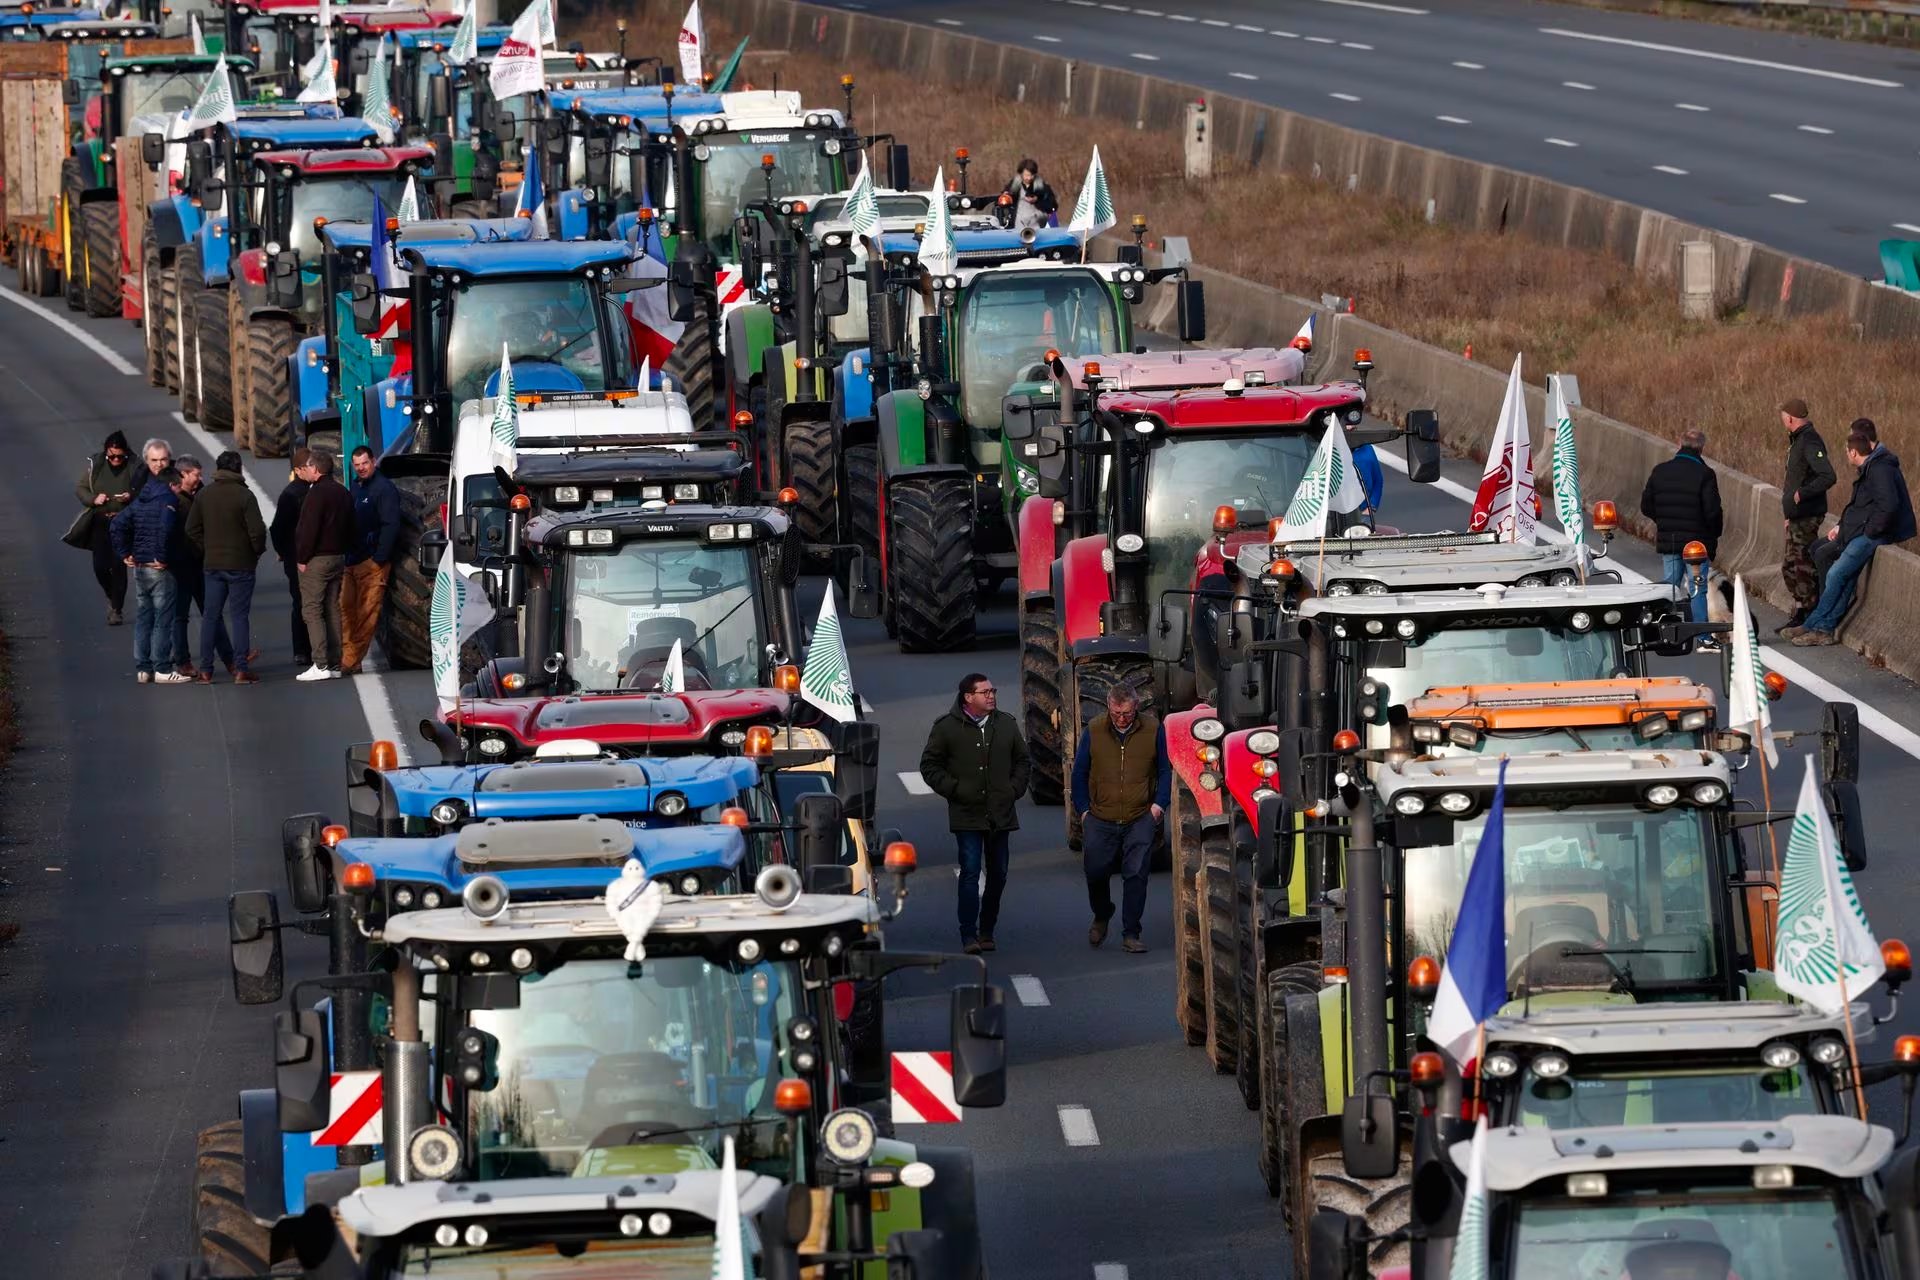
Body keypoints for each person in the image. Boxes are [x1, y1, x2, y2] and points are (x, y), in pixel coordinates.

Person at [919, 674, 1031, 954]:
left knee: (999, 874)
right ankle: (968, 934)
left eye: (992, 690)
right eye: (984, 692)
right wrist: (954, 790)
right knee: (970, 872)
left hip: (1000, 813)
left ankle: (987, 930)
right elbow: (930, 766)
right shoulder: (946, 728)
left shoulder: (1005, 724)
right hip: (967, 814)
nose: (991, 695)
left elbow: (1023, 760)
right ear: (968, 697)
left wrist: (1013, 789)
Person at [1788, 425, 1916, 647]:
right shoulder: (1871, 467)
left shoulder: (1879, 470)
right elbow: (1861, 506)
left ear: (1854, 452)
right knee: (1842, 576)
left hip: (1873, 535)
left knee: (1836, 574)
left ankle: (1813, 625)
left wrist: (1870, 531)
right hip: (1862, 531)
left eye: (1847, 451)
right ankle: (1822, 628)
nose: (1846, 454)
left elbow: (1889, 506)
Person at [1071, 682, 1169, 954]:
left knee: (1136, 873)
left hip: (1140, 816)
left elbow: (1164, 770)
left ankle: (1131, 932)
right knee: (1095, 870)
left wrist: (1158, 806)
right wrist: (1084, 810)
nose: (1121, 719)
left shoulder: (1153, 729)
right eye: (1116, 714)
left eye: (1126, 713)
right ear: (1109, 708)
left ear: (1136, 707)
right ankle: (1102, 914)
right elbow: (1079, 773)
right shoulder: (1094, 730)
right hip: (1100, 817)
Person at [187, 451, 268, 684]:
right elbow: (258, 532)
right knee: (239, 617)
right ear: (239, 469)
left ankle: (205, 670)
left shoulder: (204, 495)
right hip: (241, 565)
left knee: (210, 617)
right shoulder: (245, 496)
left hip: (212, 565)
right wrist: (255, 552)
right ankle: (241, 668)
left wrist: (207, 548)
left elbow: (191, 529)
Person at [111, 466, 190, 683]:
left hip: (140, 567)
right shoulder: (168, 500)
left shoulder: (142, 498)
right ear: (172, 484)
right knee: (163, 619)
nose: (179, 492)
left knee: (144, 617)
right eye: (178, 488)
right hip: (159, 569)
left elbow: (117, 524)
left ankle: (143, 669)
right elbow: (165, 529)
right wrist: (163, 558)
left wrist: (124, 553)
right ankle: (163, 669)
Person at [1639, 427, 1722, 626]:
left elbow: (1646, 505)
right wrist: (1714, 534)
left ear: (1679, 444)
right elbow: (1712, 511)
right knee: (1697, 589)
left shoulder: (1660, 471)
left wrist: (1664, 521)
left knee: (1670, 586)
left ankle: (1666, 628)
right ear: (1701, 449)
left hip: (1671, 540)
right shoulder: (1705, 474)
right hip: (1696, 545)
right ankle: (1701, 634)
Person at [1777, 398, 1837, 633]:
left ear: (1790, 418)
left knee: (1802, 566)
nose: (1782, 420)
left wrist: (1803, 493)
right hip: (1796, 516)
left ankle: (1809, 616)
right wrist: (1788, 514)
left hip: (1808, 515)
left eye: (1783, 416)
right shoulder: (1798, 440)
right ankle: (1801, 611)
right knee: (1789, 567)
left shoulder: (1810, 440)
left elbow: (1828, 476)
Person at [340, 446, 401, 676]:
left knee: (366, 613)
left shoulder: (384, 489)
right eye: (357, 465)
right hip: (352, 559)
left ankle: (350, 659)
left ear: (373, 461)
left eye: (364, 463)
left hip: (372, 562)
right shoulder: (355, 485)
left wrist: (379, 559)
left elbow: (390, 525)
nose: (361, 468)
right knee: (346, 609)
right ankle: (349, 657)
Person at [295, 450, 354, 681]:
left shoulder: (316, 494)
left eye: (308, 467)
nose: (307, 470)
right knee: (332, 608)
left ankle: (320, 665)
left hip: (317, 559)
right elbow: (352, 525)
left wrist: (302, 557)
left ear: (316, 470)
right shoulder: (343, 492)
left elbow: (309, 529)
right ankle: (336, 663)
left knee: (312, 610)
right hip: (338, 557)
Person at [74, 430, 140, 625]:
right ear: (106, 453)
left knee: (119, 566)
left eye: (120, 456)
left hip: (123, 522)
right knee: (100, 566)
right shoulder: (96, 467)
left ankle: (116, 609)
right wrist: (94, 499)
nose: (116, 460)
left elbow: (143, 489)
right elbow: (80, 488)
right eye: (112, 456)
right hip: (101, 522)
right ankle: (111, 595)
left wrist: (131, 496)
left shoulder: (134, 467)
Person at [271, 449, 315, 670]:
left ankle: (310, 650)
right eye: (310, 466)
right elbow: (277, 528)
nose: (314, 469)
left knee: (310, 604)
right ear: (298, 470)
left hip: (306, 556)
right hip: (297, 558)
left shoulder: (318, 489)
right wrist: (285, 552)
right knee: (301, 603)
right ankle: (301, 650)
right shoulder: (291, 495)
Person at [1003, 158, 1058, 232]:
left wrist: (1037, 200)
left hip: (1038, 225)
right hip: (1019, 224)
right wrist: (1007, 196)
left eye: (1031, 175)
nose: (1029, 178)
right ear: (1021, 174)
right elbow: (1005, 200)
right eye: (1026, 175)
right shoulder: (1013, 186)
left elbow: (1053, 206)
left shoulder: (1042, 186)